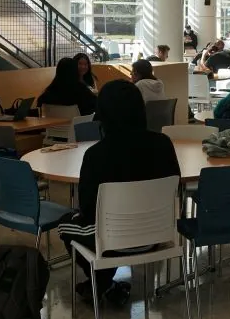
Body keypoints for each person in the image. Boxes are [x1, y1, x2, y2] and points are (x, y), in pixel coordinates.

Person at [57, 80, 181, 306]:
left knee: (65, 223)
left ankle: (100, 282)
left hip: (113, 238)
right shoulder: (163, 144)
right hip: (156, 234)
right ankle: (105, 285)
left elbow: (87, 207)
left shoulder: (96, 154)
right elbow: (175, 186)